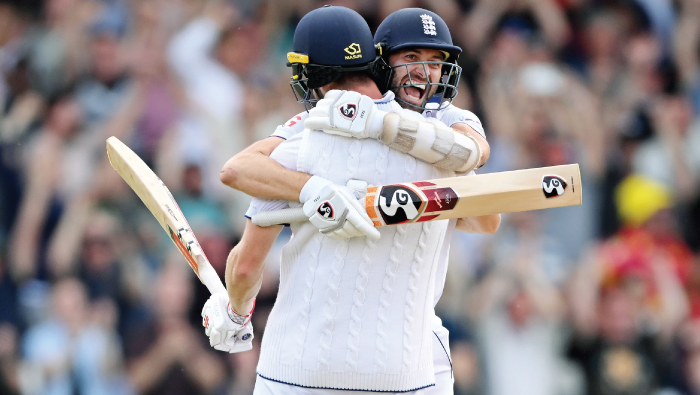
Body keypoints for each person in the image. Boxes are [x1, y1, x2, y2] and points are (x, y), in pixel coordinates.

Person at [201, 5, 494, 394]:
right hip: (407, 374)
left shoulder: (300, 148)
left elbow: (243, 265)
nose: (424, 73)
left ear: (312, 75)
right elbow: (488, 218)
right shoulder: (440, 148)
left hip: (297, 373)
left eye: (434, 62)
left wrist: (235, 313)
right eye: (411, 57)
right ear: (379, 62)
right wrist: (318, 190)